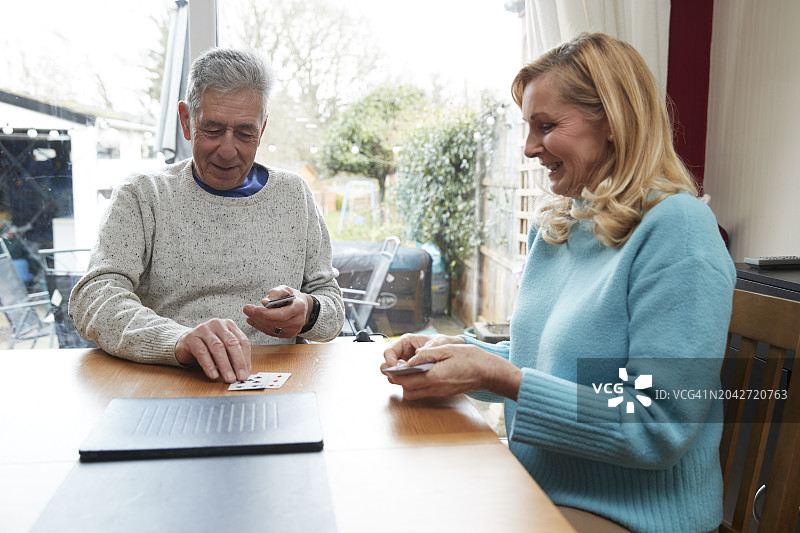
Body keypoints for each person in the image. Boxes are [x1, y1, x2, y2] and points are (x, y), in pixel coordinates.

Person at [383, 33, 734, 533]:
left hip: (630, 517)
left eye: (546, 127)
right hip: (538, 490)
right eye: (528, 128)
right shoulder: (561, 227)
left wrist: (498, 376)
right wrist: (453, 354)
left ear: (612, 122)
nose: (529, 148)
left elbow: (658, 425)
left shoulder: (677, 231)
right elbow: (545, 366)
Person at [70, 48, 344, 384]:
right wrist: (179, 341)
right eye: (212, 129)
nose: (228, 151)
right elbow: (93, 299)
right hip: (169, 382)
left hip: (276, 384)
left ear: (263, 127)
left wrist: (309, 312)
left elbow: (332, 309)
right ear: (186, 120)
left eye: (246, 133)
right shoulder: (144, 194)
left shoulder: (294, 195)